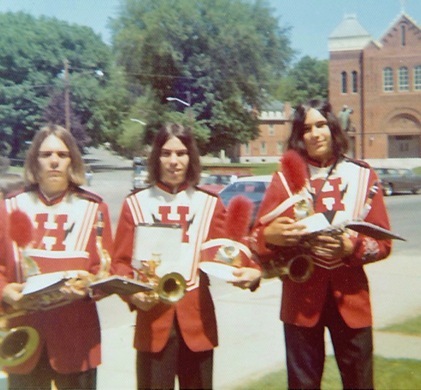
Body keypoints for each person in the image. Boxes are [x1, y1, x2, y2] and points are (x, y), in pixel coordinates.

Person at [250, 99, 392, 389]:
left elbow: (384, 243)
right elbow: (255, 238)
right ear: (299, 136)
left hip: (350, 298)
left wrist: (351, 248)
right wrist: (270, 236)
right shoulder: (285, 178)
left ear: (333, 127)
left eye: (321, 125)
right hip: (301, 300)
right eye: (306, 129)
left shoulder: (363, 175)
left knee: (360, 383)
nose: (315, 134)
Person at [112, 123, 261, 390]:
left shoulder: (209, 203)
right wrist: (132, 294)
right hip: (153, 322)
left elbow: (228, 251)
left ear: (190, 157)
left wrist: (251, 271)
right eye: (166, 153)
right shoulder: (135, 203)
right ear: (156, 157)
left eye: (181, 153)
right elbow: (120, 263)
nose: (173, 161)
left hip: (197, 323)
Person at [0, 124, 113, 390]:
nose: (54, 161)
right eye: (46, 154)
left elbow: (105, 272)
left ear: (72, 161)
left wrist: (88, 288)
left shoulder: (94, 209)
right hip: (23, 334)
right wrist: (5, 291)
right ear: (34, 161)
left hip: (76, 337)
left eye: (62, 155)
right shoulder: (9, 206)